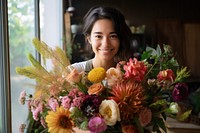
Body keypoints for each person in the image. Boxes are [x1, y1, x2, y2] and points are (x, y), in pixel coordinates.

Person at [69, 6, 132, 73]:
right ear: (89, 38)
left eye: (113, 36)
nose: (105, 44)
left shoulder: (129, 73)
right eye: (98, 36)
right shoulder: (74, 72)